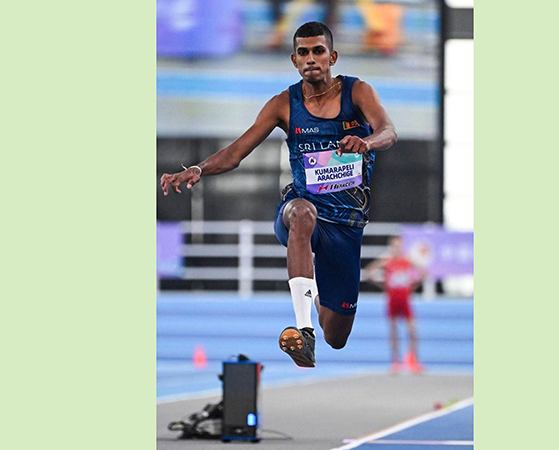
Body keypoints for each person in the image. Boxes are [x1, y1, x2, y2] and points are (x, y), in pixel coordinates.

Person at [160, 21, 397, 368]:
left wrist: (367, 141)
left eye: (318, 51)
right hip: (302, 210)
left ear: (332, 57)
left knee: (337, 336)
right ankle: (304, 332)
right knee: (300, 212)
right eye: (303, 52)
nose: (311, 58)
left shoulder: (357, 92)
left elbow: (388, 131)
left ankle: (314, 292)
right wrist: (198, 169)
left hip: (346, 224)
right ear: (294, 60)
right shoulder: (283, 104)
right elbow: (236, 153)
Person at [364, 236, 424, 373]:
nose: (397, 249)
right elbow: (369, 272)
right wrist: (383, 284)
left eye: (399, 246)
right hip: (392, 300)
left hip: (405, 300)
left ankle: (413, 359)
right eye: (394, 246)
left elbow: (422, 273)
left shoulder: (406, 261)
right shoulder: (387, 261)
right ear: (391, 248)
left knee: (412, 330)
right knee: (394, 331)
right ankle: (396, 360)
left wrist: (412, 286)